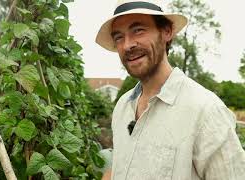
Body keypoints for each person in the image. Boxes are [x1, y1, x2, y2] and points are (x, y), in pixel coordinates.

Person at [95, 0, 245, 179]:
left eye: (138, 30)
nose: (127, 45)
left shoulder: (206, 111)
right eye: (119, 37)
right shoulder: (122, 107)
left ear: (166, 31)